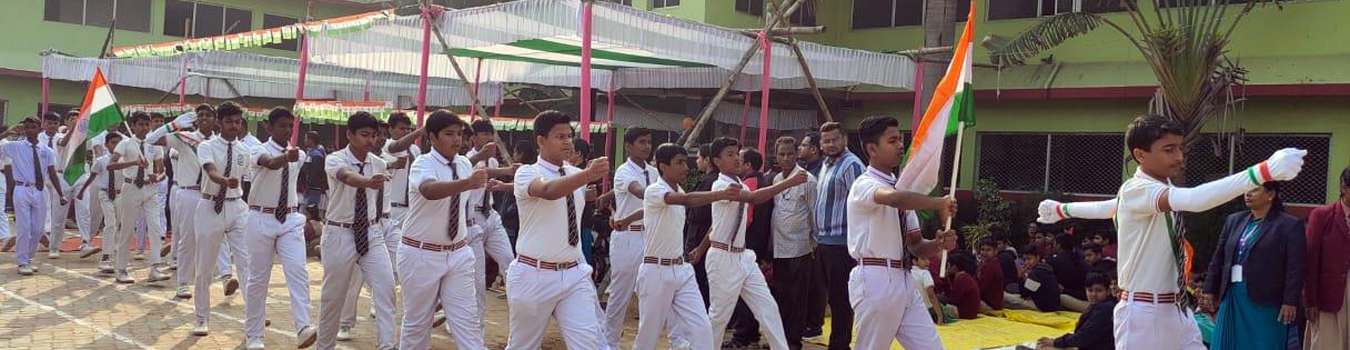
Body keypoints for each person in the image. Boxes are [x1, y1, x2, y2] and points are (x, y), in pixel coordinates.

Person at [1109, 115, 1304, 349]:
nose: (1179, 157)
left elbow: (1107, 207)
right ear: (1140, 155)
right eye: (1169, 150)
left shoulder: (1160, 190)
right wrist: (1261, 172)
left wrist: (1062, 209)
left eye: (1180, 148)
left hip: (1176, 308)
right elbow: (1194, 199)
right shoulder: (1136, 190)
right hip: (1143, 313)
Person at [844, 115, 957, 349]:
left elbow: (916, 245)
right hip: (874, 277)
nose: (900, 146)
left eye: (900, 139)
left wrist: (937, 244)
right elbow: (894, 200)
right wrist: (938, 203)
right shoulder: (864, 185)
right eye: (892, 140)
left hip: (904, 278)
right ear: (872, 149)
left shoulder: (902, 190)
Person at [506, 110, 610, 349]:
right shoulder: (527, 172)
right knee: (523, 345)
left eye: (569, 135)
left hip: (574, 273)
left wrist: (585, 180)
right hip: (534, 274)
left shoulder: (576, 175)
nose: (567, 141)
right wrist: (587, 175)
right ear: (541, 140)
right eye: (559, 136)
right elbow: (548, 191)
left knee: (590, 343)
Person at [689, 136, 805, 350]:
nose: (736, 159)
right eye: (730, 155)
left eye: (737, 154)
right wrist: (790, 182)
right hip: (723, 258)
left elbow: (716, 224)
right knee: (718, 316)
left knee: (767, 308)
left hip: (743, 257)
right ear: (717, 160)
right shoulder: (722, 185)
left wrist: (700, 248)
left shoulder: (738, 183)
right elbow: (754, 199)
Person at [397, 110, 489, 349]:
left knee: (467, 321)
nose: (457, 139)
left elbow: (480, 178)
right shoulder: (422, 164)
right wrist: (468, 183)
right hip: (420, 253)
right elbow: (429, 190)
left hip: (458, 252)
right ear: (432, 137)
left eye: (459, 134)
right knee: (417, 323)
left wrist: (509, 175)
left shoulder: (464, 163)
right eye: (449, 134)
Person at [633, 143, 733, 350]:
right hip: (656, 271)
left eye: (686, 162)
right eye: (679, 163)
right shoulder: (655, 190)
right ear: (662, 166)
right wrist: (720, 195)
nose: (686, 167)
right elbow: (685, 200)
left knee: (702, 329)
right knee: (647, 337)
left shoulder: (677, 189)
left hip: (682, 270)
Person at [315, 111, 397, 350]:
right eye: (364, 135)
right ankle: (325, 346)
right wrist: (367, 181)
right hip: (339, 233)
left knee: (386, 288)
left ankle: (387, 345)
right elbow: (346, 176)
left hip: (372, 231)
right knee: (333, 297)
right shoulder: (334, 159)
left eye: (373, 135)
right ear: (350, 134)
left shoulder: (378, 163)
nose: (370, 140)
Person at [240, 108, 318, 349]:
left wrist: (291, 155)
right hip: (260, 217)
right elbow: (270, 164)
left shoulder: (300, 154)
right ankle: (254, 334)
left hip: (290, 219)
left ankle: (303, 326)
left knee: (298, 271)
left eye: (290, 126)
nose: (286, 130)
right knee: (258, 278)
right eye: (282, 126)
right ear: (269, 127)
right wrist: (286, 157)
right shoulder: (256, 149)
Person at [1199, 181, 1305, 350]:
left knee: (1264, 343)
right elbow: (1218, 258)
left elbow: (1295, 267)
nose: (1248, 194)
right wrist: (1209, 289)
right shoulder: (1234, 220)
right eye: (1246, 189)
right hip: (1233, 295)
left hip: (1267, 300)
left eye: (1255, 190)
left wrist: (1290, 301)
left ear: (1271, 195)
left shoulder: (1289, 225)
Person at [147, 105, 227, 300]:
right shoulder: (183, 138)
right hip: (189, 193)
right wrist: (172, 125)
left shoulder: (219, 142)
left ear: (215, 120)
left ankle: (226, 276)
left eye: (208, 115)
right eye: (200, 115)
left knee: (220, 235)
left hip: (211, 194)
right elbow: (150, 140)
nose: (204, 118)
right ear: (195, 120)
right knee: (188, 240)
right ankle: (183, 283)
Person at [190, 103, 253, 335]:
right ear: (219, 122)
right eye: (229, 122)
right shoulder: (206, 146)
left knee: (247, 262)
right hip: (210, 206)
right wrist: (223, 181)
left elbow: (247, 178)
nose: (234, 126)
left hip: (237, 207)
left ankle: (253, 316)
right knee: (204, 266)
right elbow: (210, 170)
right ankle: (201, 318)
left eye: (238, 122)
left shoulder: (244, 150)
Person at [604, 127, 659, 348]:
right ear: (628, 146)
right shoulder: (624, 172)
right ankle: (609, 342)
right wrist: (667, 196)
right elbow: (639, 192)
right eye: (641, 142)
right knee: (620, 294)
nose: (646, 146)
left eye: (649, 142)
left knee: (653, 293)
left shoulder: (654, 172)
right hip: (627, 237)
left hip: (650, 236)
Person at [811, 121, 865, 350]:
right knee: (831, 298)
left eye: (835, 139)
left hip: (841, 243)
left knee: (841, 298)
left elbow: (861, 204)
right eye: (826, 141)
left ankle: (840, 345)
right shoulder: (826, 164)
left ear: (844, 139)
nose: (831, 144)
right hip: (823, 241)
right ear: (820, 144)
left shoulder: (851, 165)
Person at [464, 119, 518, 329]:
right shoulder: (466, 158)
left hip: (491, 216)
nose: (488, 138)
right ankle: (475, 325)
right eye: (483, 134)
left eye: (490, 134)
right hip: (471, 219)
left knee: (509, 262)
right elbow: (475, 173)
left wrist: (501, 180)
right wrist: (507, 171)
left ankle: (521, 315)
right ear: (473, 138)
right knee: (476, 276)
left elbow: (490, 177)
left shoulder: (493, 161)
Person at [106, 112, 168, 284]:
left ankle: (155, 267)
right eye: (140, 124)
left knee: (155, 228)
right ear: (133, 126)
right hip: (131, 187)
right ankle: (121, 269)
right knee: (127, 228)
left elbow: (162, 170)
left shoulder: (154, 144)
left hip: (149, 188)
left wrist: (158, 176)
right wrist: (133, 163)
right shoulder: (125, 143)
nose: (144, 128)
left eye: (147, 125)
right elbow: (111, 165)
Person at [768, 136, 817, 350]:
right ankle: (780, 341)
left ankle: (793, 342)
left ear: (797, 153)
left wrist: (814, 245)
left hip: (801, 248)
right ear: (776, 156)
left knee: (797, 299)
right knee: (781, 296)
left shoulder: (808, 180)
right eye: (781, 154)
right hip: (779, 249)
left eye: (790, 153)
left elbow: (815, 214)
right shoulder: (777, 179)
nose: (786, 158)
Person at [1305, 166, 1350, 350]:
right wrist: (1310, 300)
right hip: (1330, 297)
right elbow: (1310, 260)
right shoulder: (1322, 216)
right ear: (1343, 187)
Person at [1038, 273, 1117, 350]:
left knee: (1044, 347)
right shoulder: (1099, 306)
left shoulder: (1105, 309)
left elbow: (1084, 336)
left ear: (1108, 291)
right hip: (1091, 344)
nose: (1093, 294)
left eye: (1099, 291)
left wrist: (1056, 342)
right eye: (1090, 290)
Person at [41, 112, 71, 259]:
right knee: (43, 205)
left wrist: (73, 129)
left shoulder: (60, 137)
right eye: (49, 123)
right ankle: (44, 232)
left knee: (57, 209)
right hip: (41, 175)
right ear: (44, 123)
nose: (52, 126)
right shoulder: (38, 137)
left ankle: (52, 239)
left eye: (55, 123)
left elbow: (64, 143)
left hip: (57, 175)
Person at [1050, 233, 1091, 312]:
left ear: (1058, 245)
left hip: (1077, 299)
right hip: (1084, 297)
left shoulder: (1055, 261)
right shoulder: (1081, 258)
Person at [1015, 244, 1062, 312]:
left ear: (1037, 257)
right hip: (1054, 306)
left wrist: (1020, 277)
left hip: (1043, 308)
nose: (1026, 262)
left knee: (1006, 297)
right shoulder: (1046, 267)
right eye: (1025, 259)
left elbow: (1024, 294)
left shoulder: (1036, 273)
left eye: (1029, 259)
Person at [300, 131, 327, 219]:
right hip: (309, 189)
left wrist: (309, 186)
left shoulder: (317, 155)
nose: (304, 140)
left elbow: (315, 174)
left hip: (314, 190)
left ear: (311, 140)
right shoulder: (310, 153)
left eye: (306, 138)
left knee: (309, 214)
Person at [911, 255, 944, 324]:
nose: (928, 262)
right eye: (923, 259)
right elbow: (931, 295)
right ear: (914, 261)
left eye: (928, 259)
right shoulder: (925, 273)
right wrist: (940, 315)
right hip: (927, 311)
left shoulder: (908, 273)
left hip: (913, 311)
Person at [976, 238, 1005, 312]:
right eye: (982, 249)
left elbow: (981, 287)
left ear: (995, 251)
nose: (984, 253)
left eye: (988, 250)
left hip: (991, 306)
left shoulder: (992, 265)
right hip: (988, 302)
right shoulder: (985, 263)